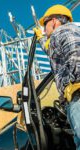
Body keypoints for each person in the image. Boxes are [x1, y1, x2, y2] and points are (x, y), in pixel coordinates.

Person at [33, 4, 80, 149]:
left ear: (54, 21)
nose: (44, 29)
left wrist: (75, 83)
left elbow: (77, 54)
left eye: (45, 24)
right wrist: (41, 38)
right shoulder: (64, 34)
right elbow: (53, 52)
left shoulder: (63, 31)